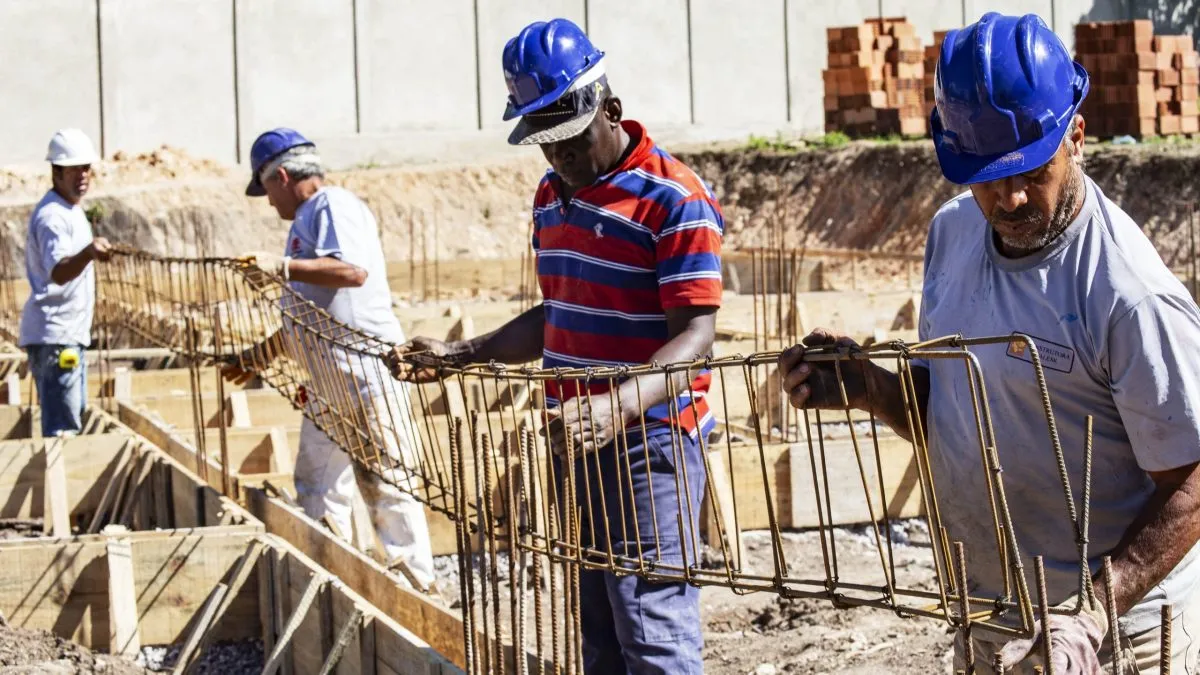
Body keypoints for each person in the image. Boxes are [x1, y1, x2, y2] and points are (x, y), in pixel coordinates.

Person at [779, 13, 1200, 674]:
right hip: (989, 611)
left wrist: (1090, 612)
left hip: (1118, 637)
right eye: (985, 175)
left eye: (1033, 169)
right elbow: (946, 406)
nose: (1009, 197)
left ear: (1078, 137)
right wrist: (869, 386)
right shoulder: (952, 236)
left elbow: (1192, 478)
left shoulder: (1126, 290)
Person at [392, 18, 723, 674]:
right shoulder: (551, 198)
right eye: (545, 144)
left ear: (612, 110)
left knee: (653, 632)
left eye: (570, 140)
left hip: (649, 444)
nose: (560, 158)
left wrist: (617, 406)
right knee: (597, 629)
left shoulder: (672, 198)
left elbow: (698, 338)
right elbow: (559, 311)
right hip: (575, 439)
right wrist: (463, 354)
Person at [224, 127, 434, 589]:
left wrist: (281, 268)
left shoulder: (332, 206)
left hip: (365, 374)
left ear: (281, 175)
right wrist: (259, 355)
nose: (268, 202)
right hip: (328, 382)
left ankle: (421, 593)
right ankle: (336, 581)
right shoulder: (304, 223)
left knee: (388, 488)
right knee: (318, 486)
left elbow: (352, 272)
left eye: (266, 191)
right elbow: (311, 311)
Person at [19, 128, 112, 437]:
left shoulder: (70, 210)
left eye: (86, 168)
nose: (83, 176)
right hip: (57, 339)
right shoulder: (52, 218)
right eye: (74, 169)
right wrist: (88, 253)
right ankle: (58, 485)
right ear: (56, 172)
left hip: (66, 335)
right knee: (63, 431)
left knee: (72, 419)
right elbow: (57, 272)